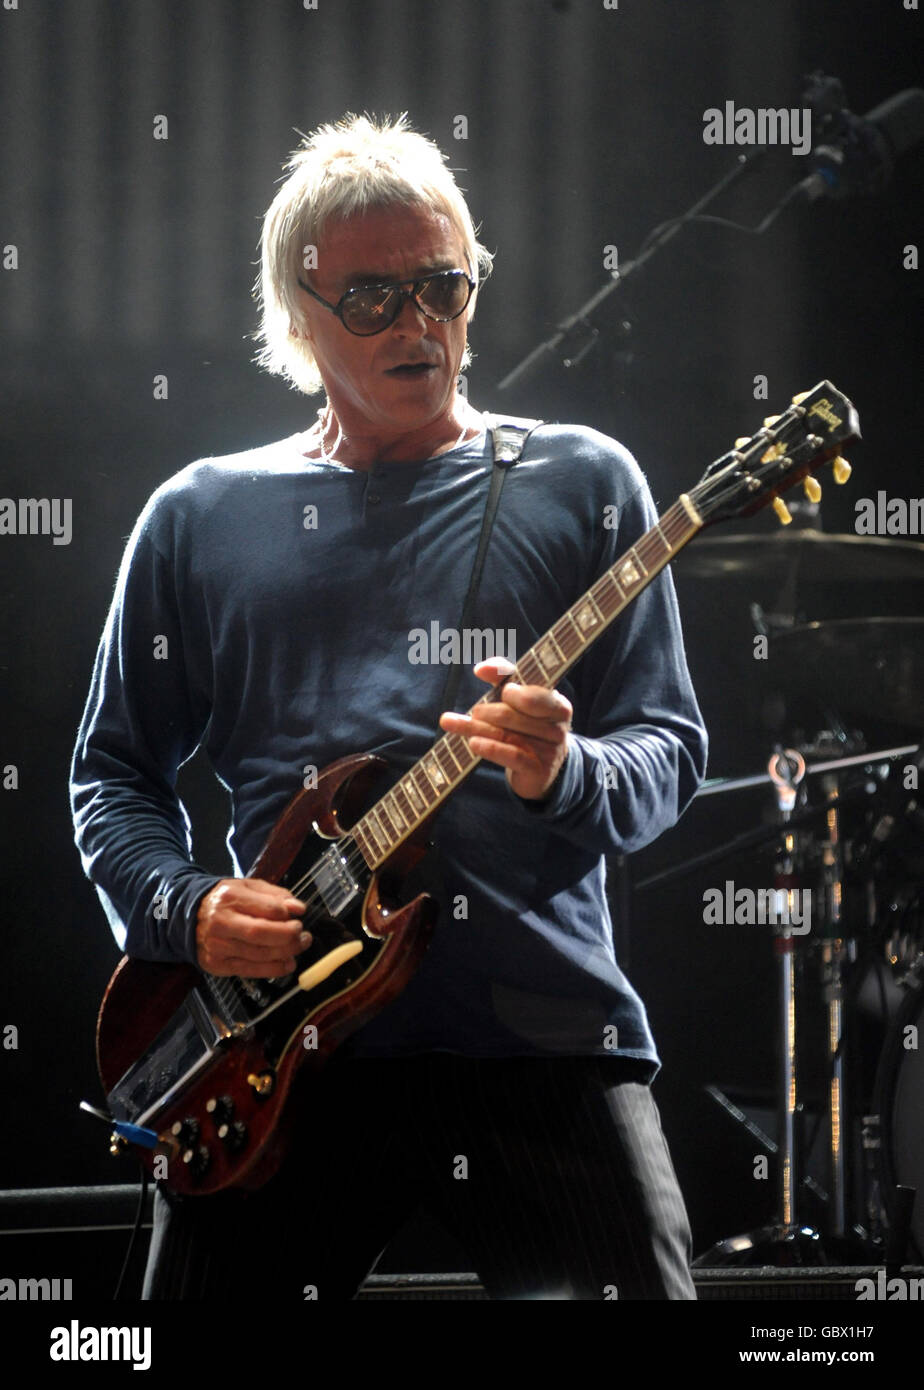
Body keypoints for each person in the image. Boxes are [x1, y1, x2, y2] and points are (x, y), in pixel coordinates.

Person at [70, 112, 708, 1301]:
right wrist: (185, 905)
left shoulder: (585, 480)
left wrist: (563, 771)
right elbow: (112, 774)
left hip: (536, 1043)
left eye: (443, 287)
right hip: (270, 1051)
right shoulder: (199, 514)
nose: (420, 325)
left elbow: (669, 749)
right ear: (298, 316)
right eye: (374, 299)